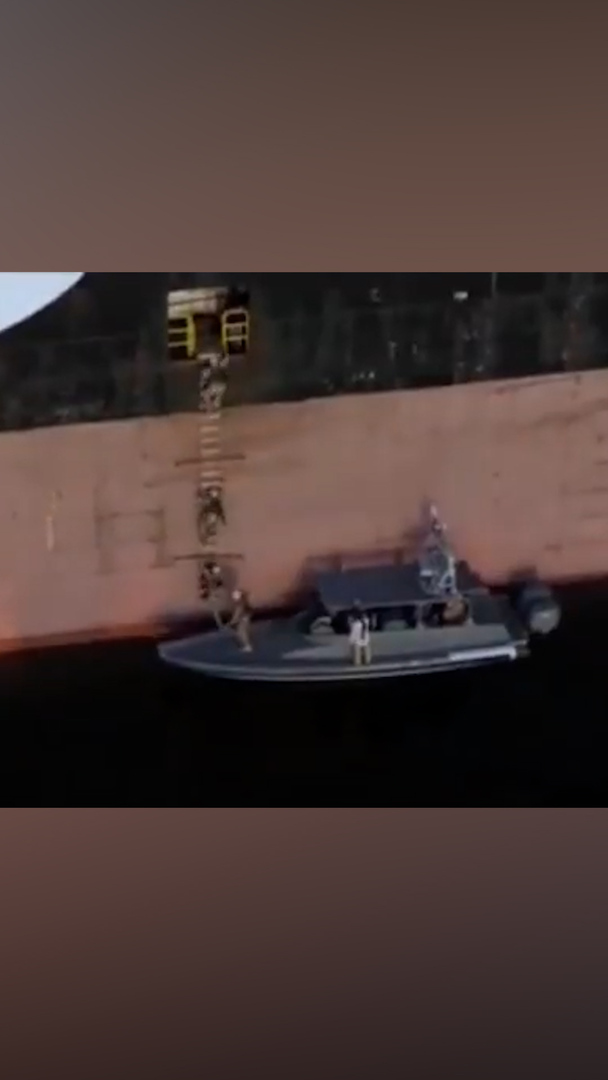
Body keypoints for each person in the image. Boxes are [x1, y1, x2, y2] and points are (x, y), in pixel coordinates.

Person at [349, 602, 372, 667]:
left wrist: (351, 641)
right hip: (364, 641)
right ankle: (365, 661)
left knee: (357, 659)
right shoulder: (365, 621)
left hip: (358, 641)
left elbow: (354, 634)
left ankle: (361, 661)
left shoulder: (356, 623)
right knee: (365, 658)